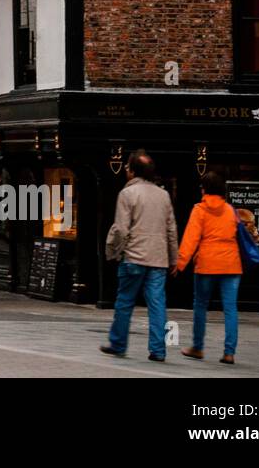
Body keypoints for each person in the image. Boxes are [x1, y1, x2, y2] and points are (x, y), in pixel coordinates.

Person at [100, 152, 176, 361]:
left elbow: (121, 229)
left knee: (125, 301)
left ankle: (118, 343)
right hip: (158, 258)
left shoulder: (127, 194)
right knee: (157, 303)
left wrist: (115, 251)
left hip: (133, 256)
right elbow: (171, 230)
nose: (125, 170)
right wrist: (174, 258)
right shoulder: (164, 195)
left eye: (127, 167)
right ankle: (158, 350)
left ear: (133, 171)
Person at [175, 170, 243, 365]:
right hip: (231, 264)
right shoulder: (230, 210)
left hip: (207, 264)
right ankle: (229, 352)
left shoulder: (200, 210)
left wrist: (180, 263)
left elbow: (190, 239)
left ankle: (197, 347)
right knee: (230, 308)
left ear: (204, 189)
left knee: (201, 306)